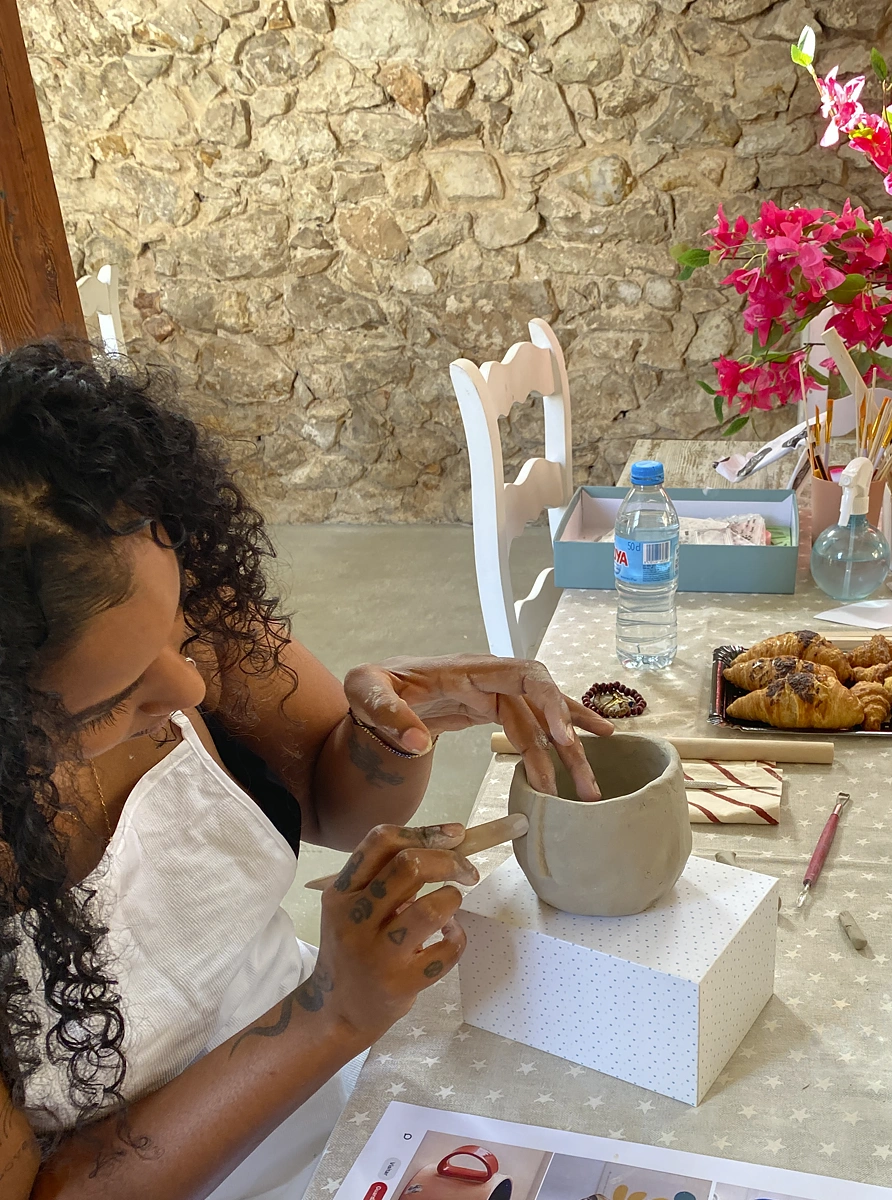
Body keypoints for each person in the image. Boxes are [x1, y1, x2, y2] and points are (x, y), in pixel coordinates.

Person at [0, 342, 612, 1199]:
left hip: (335, 1059)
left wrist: (388, 735)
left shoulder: (138, 581)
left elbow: (335, 805)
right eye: (113, 702)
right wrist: (331, 1013)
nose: (190, 689)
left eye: (177, 629)